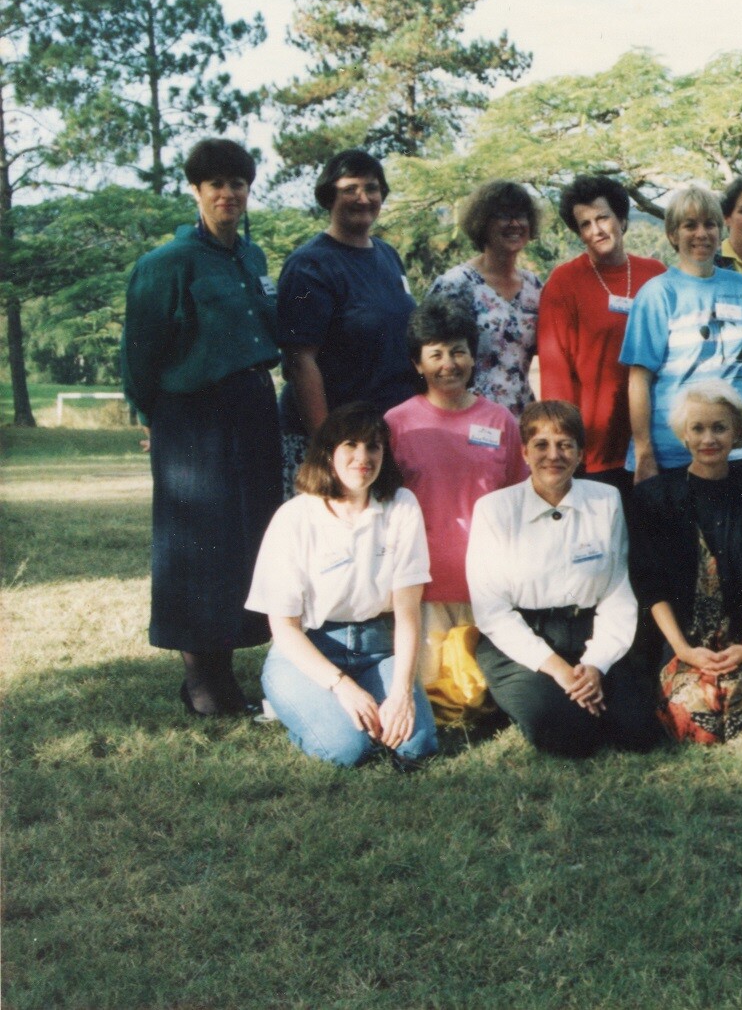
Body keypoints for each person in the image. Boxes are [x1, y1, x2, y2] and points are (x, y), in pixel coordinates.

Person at [121, 138, 281, 715]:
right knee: (196, 545)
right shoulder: (167, 263)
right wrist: (158, 419)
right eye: (215, 184)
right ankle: (202, 681)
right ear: (195, 191)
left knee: (245, 539)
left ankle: (231, 663)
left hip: (253, 408)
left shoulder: (252, 258)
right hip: (193, 417)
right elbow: (139, 357)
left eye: (237, 183)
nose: (227, 194)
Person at [245, 402, 437, 768]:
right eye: (350, 445)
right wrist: (342, 686)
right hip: (310, 650)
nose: (363, 457)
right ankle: (296, 706)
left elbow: (409, 613)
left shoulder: (401, 505)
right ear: (327, 455)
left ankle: (365, 708)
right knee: (348, 752)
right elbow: (283, 628)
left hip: (379, 648)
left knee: (417, 747)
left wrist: (400, 694)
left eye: (373, 446)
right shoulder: (295, 518)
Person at [466, 401, 658, 757]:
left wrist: (596, 665)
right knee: (571, 738)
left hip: (588, 633)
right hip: (522, 641)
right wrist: (560, 672)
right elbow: (492, 611)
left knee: (639, 731)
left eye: (565, 445)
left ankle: (585, 697)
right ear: (524, 452)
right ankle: (525, 699)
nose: (553, 455)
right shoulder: (493, 510)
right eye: (541, 445)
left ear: (581, 453)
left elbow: (617, 592)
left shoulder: (606, 500)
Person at [628, 381, 742, 744]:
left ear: (736, 432)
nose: (709, 438)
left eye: (719, 427)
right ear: (683, 435)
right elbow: (650, 583)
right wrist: (683, 650)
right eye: (698, 428)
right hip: (684, 646)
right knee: (702, 728)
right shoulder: (655, 499)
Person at [384, 297, 526, 726]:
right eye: (436, 354)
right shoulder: (397, 423)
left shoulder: (501, 421)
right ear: (418, 364)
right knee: (436, 701)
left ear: (474, 355)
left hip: (486, 583)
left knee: (483, 701)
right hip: (421, 587)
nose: (449, 363)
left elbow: (519, 501)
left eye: (459, 350)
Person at [278, 149, 416, 493]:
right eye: (350, 189)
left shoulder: (387, 256)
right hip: (336, 441)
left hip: (383, 435)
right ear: (328, 196)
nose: (363, 198)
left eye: (372, 188)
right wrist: (326, 444)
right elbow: (300, 360)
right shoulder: (308, 267)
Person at [621, 182, 742, 483]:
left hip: (736, 449)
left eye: (709, 224)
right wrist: (644, 452)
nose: (701, 234)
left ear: (721, 230)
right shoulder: (658, 293)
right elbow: (638, 380)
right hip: (675, 449)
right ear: (673, 234)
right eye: (690, 225)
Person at [537, 175, 668, 495]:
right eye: (585, 224)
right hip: (595, 447)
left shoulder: (655, 274)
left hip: (656, 440)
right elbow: (556, 375)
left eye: (603, 218)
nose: (596, 230)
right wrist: (566, 444)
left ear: (622, 220)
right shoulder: (564, 282)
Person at [426, 180, 544, 419]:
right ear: (482, 224)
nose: (514, 224)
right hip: (466, 417)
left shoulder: (535, 287)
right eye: (503, 216)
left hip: (521, 419)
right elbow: (428, 357)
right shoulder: (456, 284)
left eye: (521, 216)